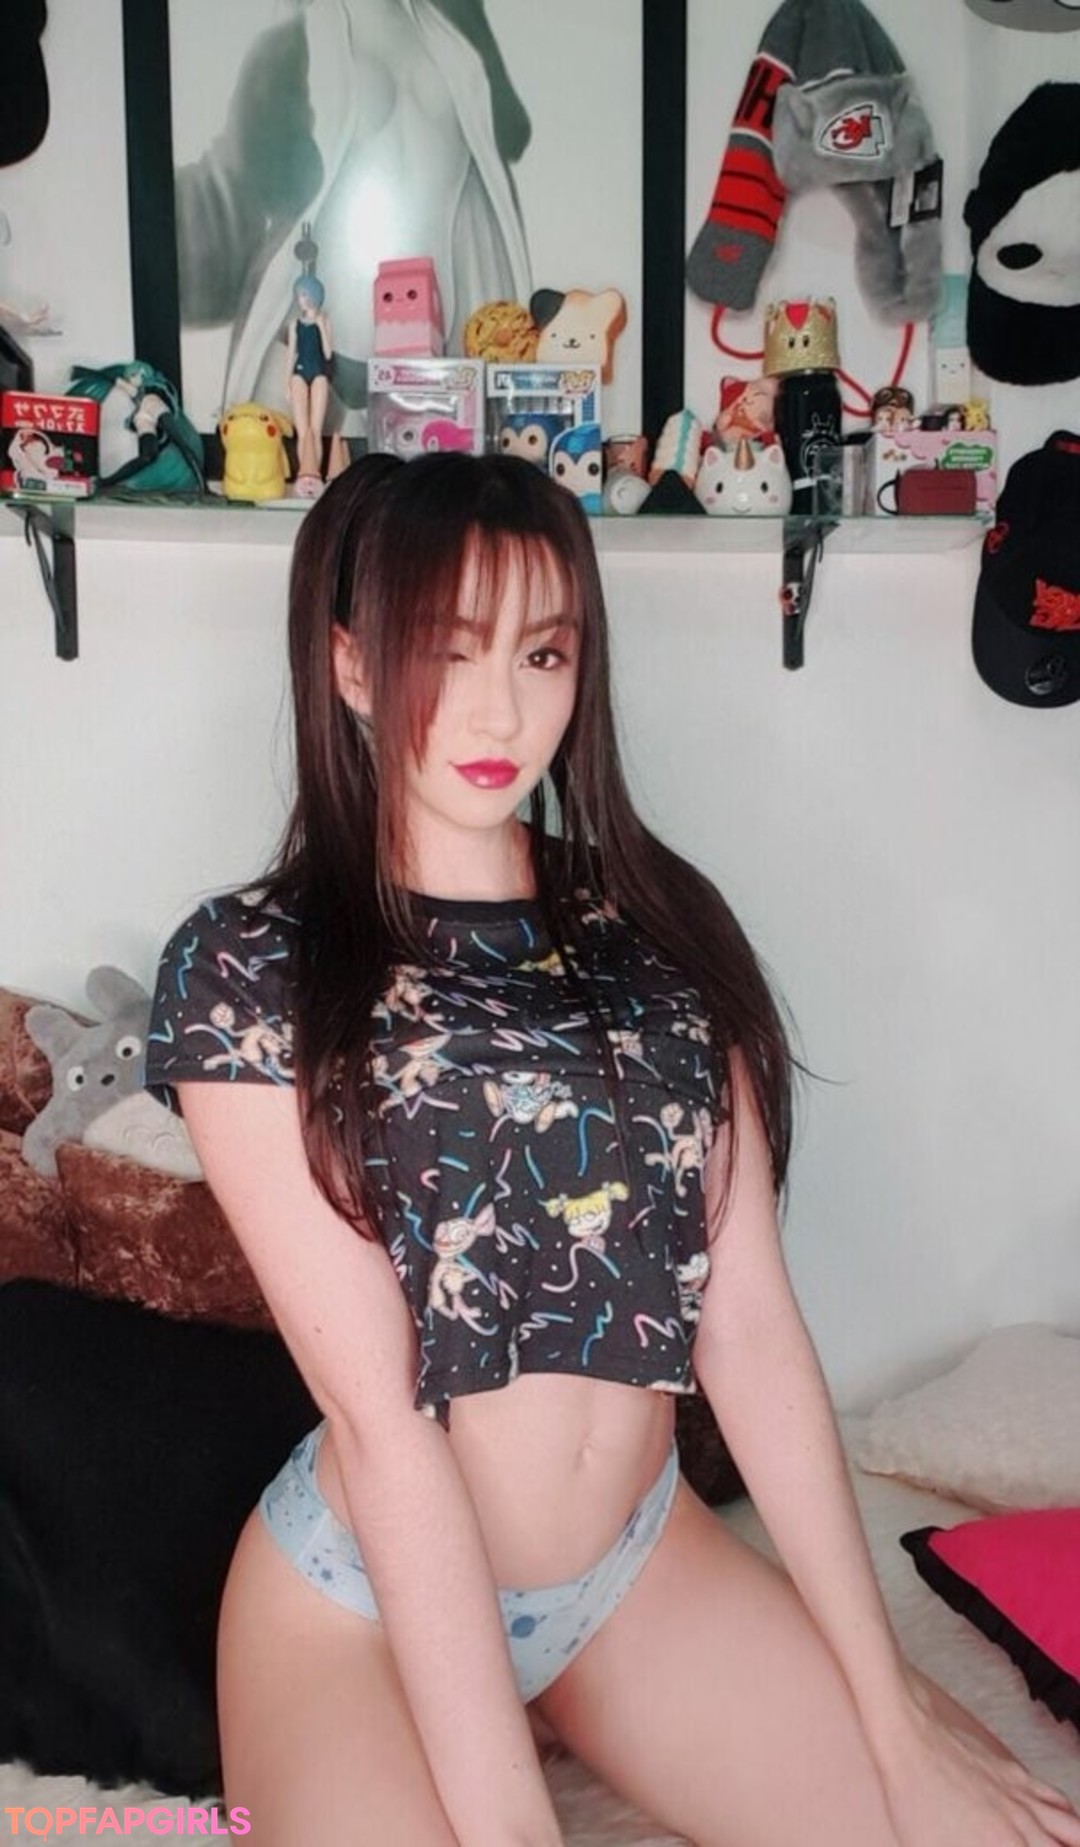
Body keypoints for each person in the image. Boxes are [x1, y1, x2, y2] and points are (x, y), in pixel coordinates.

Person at [146, 454, 1080, 1847]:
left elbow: (748, 1325)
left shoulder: (653, 925)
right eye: (445, 649)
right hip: (364, 1599)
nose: (500, 709)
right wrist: (515, 1822)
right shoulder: (247, 967)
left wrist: (892, 1713)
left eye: (542, 651)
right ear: (349, 664)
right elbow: (383, 1420)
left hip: (632, 1568)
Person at [284, 269, 333, 488]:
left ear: (314, 295)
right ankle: (304, 474)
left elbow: (328, 354)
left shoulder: (324, 321)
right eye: (299, 295)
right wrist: (286, 382)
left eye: (303, 295)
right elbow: (290, 355)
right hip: (299, 374)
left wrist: (321, 326)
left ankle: (316, 475)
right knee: (302, 431)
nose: (300, 300)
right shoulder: (294, 324)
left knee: (315, 430)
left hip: (319, 374)